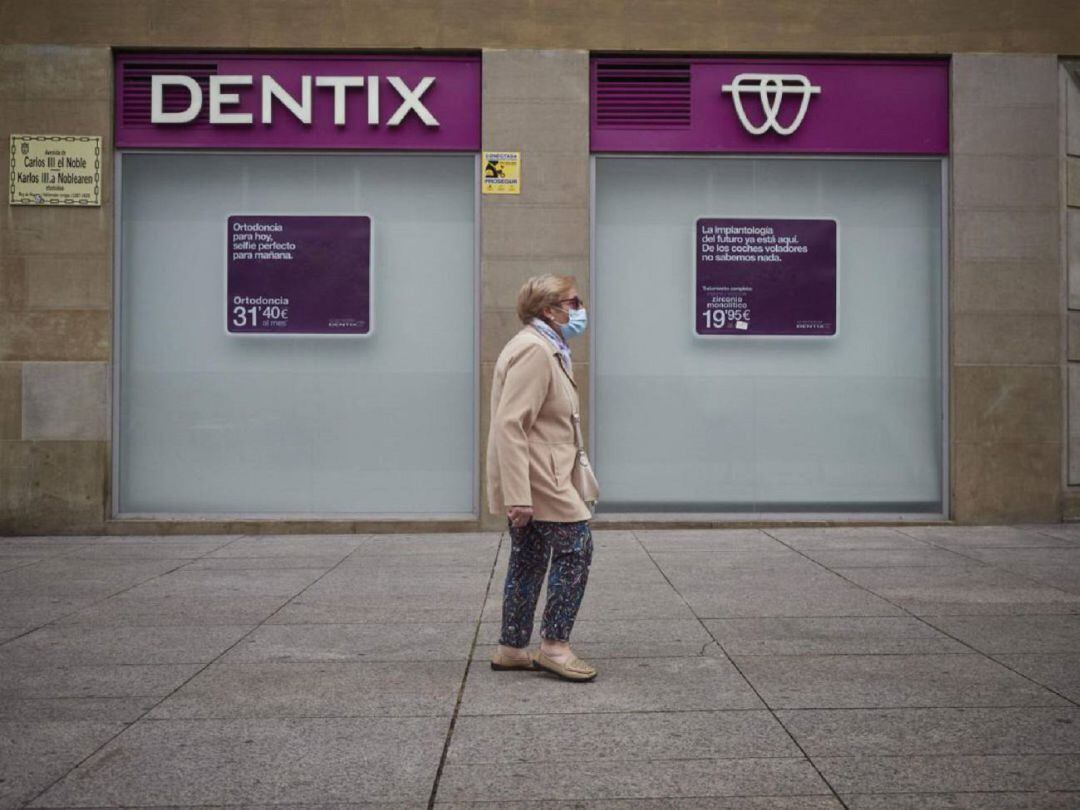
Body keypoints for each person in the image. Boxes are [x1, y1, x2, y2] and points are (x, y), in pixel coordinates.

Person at [485, 274, 597, 682]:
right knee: (576, 549)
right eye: (572, 302)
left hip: (538, 474)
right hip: (540, 478)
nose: (579, 309)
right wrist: (519, 496)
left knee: (529, 558)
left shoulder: (546, 346)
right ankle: (555, 646)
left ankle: (512, 647)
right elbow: (511, 426)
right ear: (549, 310)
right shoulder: (534, 350)